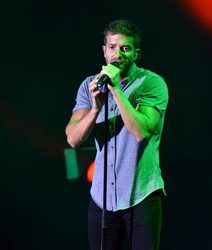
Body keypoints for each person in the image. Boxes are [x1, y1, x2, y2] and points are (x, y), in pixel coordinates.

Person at [65, 19, 169, 250]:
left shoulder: (151, 84)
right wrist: (94, 109)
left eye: (125, 48)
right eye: (112, 47)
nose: (117, 54)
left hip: (141, 196)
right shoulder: (88, 86)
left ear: (136, 54)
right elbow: (72, 139)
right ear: (104, 51)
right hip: (102, 200)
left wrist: (117, 90)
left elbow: (141, 131)